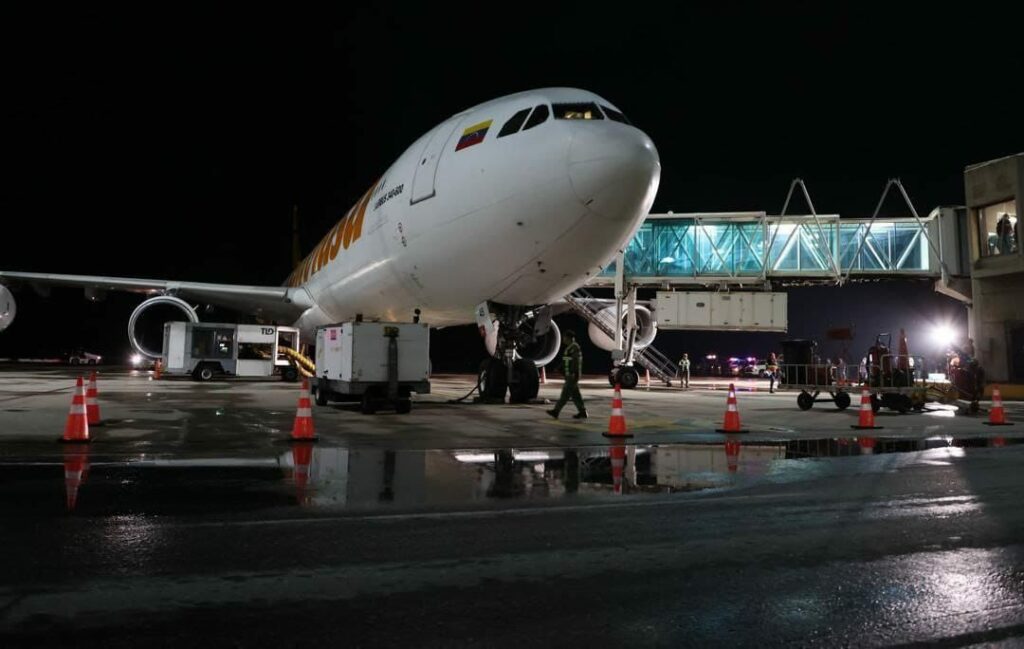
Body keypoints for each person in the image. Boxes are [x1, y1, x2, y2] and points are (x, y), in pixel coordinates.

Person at [547, 330, 587, 419]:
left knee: (565, 394)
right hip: (569, 375)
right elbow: (567, 360)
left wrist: (573, 373)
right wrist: (559, 368)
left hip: (572, 376)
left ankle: (556, 411)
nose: (563, 339)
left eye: (564, 337)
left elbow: (576, 361)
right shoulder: (570, 348)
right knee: (576, 395)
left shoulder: (574, 348)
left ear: (569, 338)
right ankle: (582, 412)